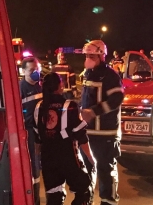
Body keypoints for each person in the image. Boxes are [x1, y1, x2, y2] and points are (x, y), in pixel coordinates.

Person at [33, 72, 95, 205]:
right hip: (68, 157)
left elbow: (38, 138)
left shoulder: (39, 107)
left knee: (54, 196)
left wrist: (37, 158)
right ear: (60, 86)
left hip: (48, 158)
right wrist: (91, 158)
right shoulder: (69, 106)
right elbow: (81, 136)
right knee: (84, 189)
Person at [80, 40, 125, 205]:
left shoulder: (110, 76)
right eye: (86, 55)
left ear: (101, 55)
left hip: (106, 132)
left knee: (106, 170)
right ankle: (87, 200)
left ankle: (109, 202)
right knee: (85, 170)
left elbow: (117, 99)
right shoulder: (87, 73)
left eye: (91, 55)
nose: (88, 58)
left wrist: (94, 112)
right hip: (88, 132)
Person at [19, 57, 42, 205]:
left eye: (37, 69)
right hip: (29, 132)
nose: (35, 73)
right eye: (31, 70)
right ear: (23, 71)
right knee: (34, 168)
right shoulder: (20, 88)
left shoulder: (40, 86)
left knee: (40, 165)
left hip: (40, 131)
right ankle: (34, 200)